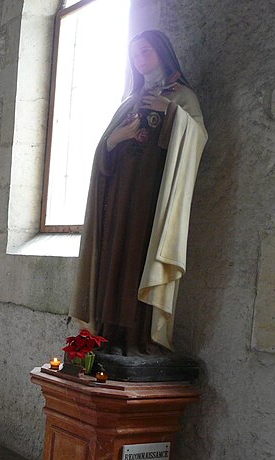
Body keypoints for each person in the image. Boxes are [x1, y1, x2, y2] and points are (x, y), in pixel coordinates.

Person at [70, 30, 208, 355]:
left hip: (152, 198)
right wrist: (115, 138)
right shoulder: (130, 101)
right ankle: (108, 335)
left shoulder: (182, 96)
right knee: (113, 260)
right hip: (118, 197)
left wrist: (171, 112)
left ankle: (138, 340)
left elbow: (198, 138)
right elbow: (104, 154)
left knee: (138, 261)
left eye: (145, 51)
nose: (139, 59)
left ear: (162, 53)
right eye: (134, 55)